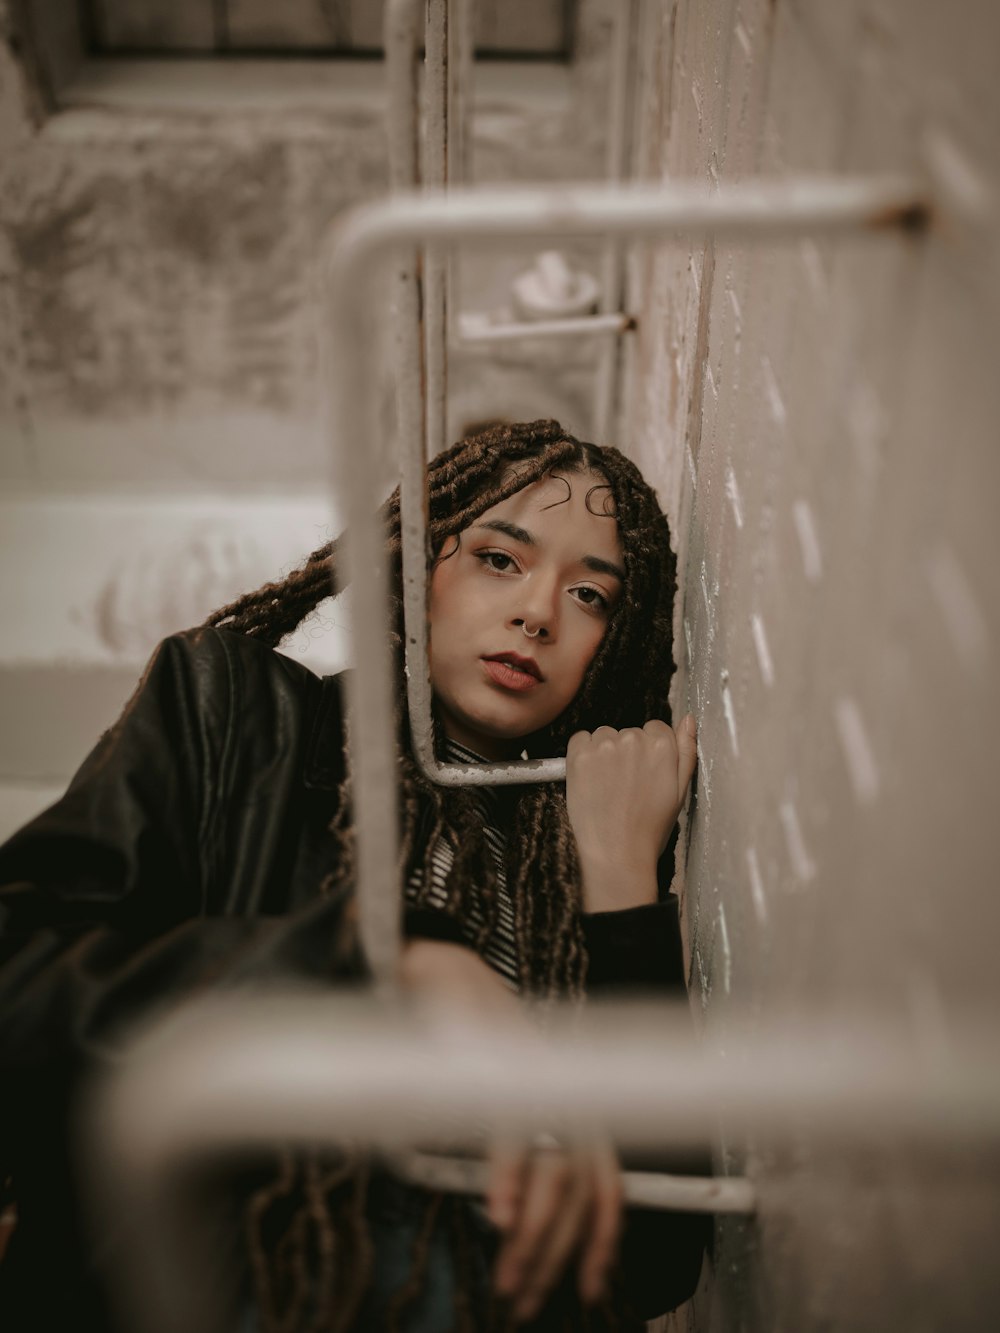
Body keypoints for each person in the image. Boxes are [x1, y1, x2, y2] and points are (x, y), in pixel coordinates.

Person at [0, 419, 709, 1332]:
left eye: (589, 594)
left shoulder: (576, 846)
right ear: (417, 569)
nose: (539, 611)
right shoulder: (236, 717)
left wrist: (619, 888)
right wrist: (387, 963)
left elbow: (652, 1262)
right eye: (500, 558)